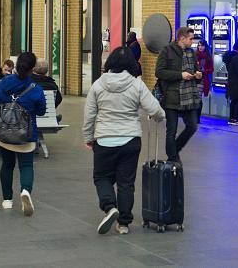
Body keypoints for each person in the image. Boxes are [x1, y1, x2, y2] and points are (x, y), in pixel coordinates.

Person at [83, 47, 165, 235]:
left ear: (110, 63)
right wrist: (161, 117)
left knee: (102, 177)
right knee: (126, 182)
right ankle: (124, 224)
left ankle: (109, 206)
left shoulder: (97, 85)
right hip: (130, 140)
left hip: (104, 139)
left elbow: (89, 115)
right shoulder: (137, 85)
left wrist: (88, 137)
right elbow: (154, 109)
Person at [0, 52, 46, 216]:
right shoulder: (36, 88)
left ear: (16, 66)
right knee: (26, 166)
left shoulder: (4, 83)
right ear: (33, 69)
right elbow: (41, 111)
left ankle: (7, 200)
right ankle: (25, 191)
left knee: (7, 165)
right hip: (26, 134)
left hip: (4, 132)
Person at [155, 27, 202, 163]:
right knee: (172, 130)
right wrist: (180, 75)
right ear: (182, 38)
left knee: (192, 126)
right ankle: (174, 158)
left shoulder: (191, 53)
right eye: (191, 39)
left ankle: (173, 151)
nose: (193, 41)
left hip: (189, 96)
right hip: (172, 96)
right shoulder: (167, 51)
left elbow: (195, 69)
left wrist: (198, 74)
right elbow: (159, 72)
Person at [223, 42, 238, 125]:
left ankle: (231, 118)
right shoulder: (237, 58)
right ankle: (235, 119)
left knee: (234, 100)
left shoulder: (229, 57)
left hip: (231, 82)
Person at [196, 40, 214, 123]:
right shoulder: (195, 55)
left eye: (202, 45)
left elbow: (211, 69)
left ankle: (197, 118)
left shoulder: (208, 57)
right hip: (194, 78)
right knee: (195, 99)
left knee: (198, 99)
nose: (200, 47)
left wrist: (204, 71)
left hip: (202, 80)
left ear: (205, 47)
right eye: (199, 45)